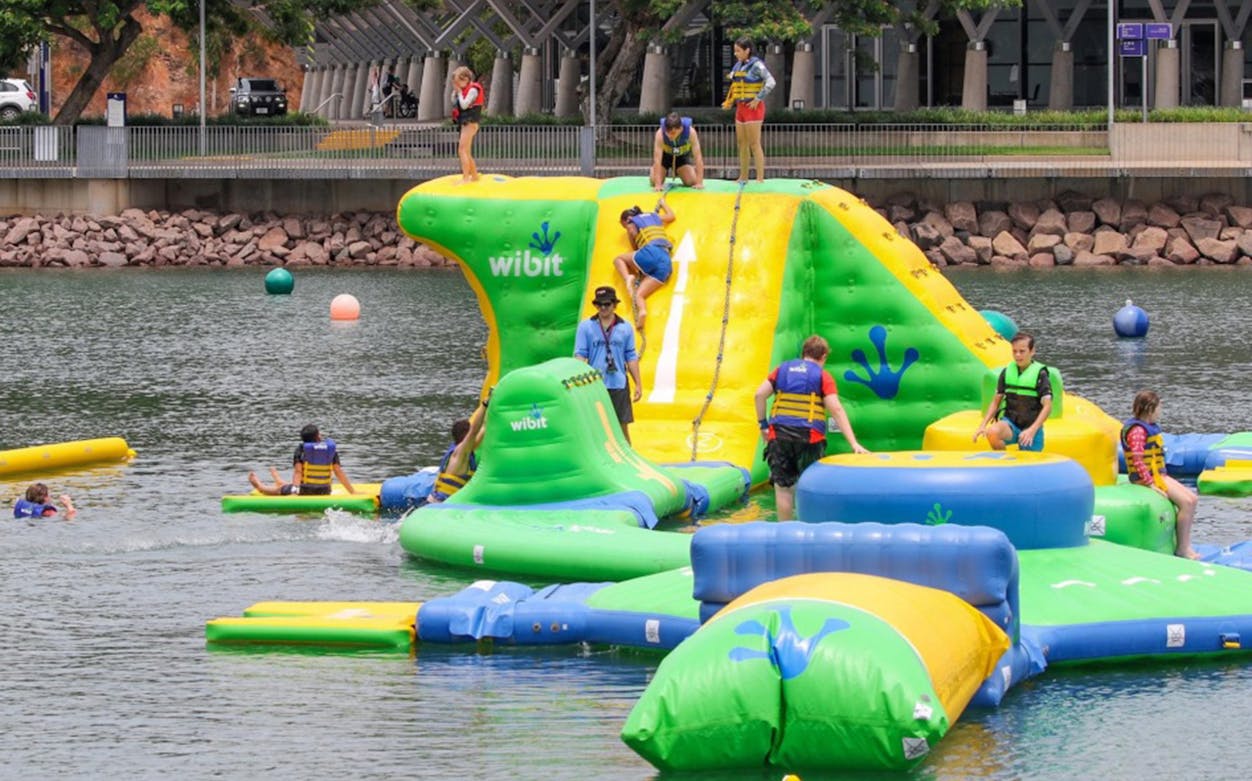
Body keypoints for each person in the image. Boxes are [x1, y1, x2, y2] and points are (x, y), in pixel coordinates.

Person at [755, 335, 869, 521]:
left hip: (779, 437)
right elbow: (836, 409)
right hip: (809, 439)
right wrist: (854, 443)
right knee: (810, 486)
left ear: (804, 353)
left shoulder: (781, 370)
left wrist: (763, 426)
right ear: (823, 356)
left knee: (783, 490)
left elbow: (759, 395)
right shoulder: (822, 376)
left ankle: (786, 533)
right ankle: (810, 533)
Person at [1122, 390, 1199, 559]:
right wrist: (1150, 484)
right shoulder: (1138, 431)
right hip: (1146, 478)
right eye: (1159, 408)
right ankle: (1183, 548)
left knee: (1192, 499)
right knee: (1186, 503)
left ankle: (1185, 544)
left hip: (1158, 475)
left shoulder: (1148, 428)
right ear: (1150, 409)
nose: (1160, 411)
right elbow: (1137, 459)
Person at [575, 285, 643, 444]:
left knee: (622, 427)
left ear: (615, 304)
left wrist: (638, 383)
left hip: (618, 383)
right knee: (595, 426)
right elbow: (580, 355)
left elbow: (631, 356)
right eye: (599, 304)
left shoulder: (625, 327)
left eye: (607, 304)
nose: (603, 308)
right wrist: (579, 382)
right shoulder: (585, 327)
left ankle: (628, 462)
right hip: (595, 385)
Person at [973, 332, 1054, 452]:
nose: (1017, 355)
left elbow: (1047, 406)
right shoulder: (1006, 372)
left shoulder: (1040, 375)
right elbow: (996, 402)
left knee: (1029, 464)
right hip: (1011, 424)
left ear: (1032, 351)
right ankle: (1005, 461)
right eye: (1014, 351)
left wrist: (1032, 430)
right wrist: (982, 425)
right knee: (992, 432)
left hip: (1032, 426)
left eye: (1022, 351)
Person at [613, 200, 675, 330]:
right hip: (666, 262)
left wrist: (633, 242)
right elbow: (671, 216)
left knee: (618, 259)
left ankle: (627, 277)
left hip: (651, 252)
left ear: (627, 219)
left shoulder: (632, 222)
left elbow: (633, 238)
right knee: (638, 295)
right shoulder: (654, 216)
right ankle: (642, 313)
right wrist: (663, 203)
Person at [721, 37, 776, 184]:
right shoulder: (738, 66)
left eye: (738, 50)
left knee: (754, 143)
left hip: (753, 108)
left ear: (747, 50)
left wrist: (758, 98)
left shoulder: (757, 65)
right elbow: (735, 86)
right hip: (741, 107)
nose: (735, 54)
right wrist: (730, 101)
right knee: (741, 143)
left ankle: (759, 178)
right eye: (735, 51)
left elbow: (771, 81)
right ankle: (743, 176)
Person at [248, 423, 355, 496]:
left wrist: (295, 492)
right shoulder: (330, 450)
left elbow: (298, 472)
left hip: (304, 491)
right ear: (318, 437)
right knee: (286, 486)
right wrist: (352, 492)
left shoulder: (301, 449)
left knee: (280, 490)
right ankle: (275, 482)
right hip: (325, 490)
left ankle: (262, 487)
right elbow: (338, 472)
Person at [428, 398, 488, 504]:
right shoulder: (459, 453)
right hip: (440, 504)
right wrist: (484, 405)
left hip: (440, 501)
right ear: (466, 436)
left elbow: (481, 431)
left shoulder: (463, 451)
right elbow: (474, 431)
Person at [651, 112, 705, 191]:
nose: (669, 136)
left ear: (680, 128)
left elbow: (698, 157)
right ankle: (653, 171)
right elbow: (657, 159)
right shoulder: (660, 134)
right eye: (667, 132)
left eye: (673, 133)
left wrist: (699, 182)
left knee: (691, 181)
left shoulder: (691, 132)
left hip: (681, 156)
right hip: (665, 156)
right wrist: (658, 184)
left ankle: (688, 170)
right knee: (654, 181)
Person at [450, 66, 483, 182]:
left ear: (466, 79)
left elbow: (464, 105)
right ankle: (474, 176)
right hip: (466, 123)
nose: (458, 85)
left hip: (470, 123)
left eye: (459, 82)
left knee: (462, 150)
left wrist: (459, 93)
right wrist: (456, 92)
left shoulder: (473, 90)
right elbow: (455, 102)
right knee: (466, 151)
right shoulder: (464, 90)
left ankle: (466, 177)